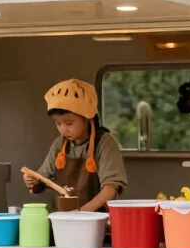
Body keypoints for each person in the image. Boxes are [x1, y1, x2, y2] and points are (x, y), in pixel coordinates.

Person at [22, 78, 127, 211]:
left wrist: (81, 213)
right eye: (58, 123)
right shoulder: (59, 144)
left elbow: (110, 190)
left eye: (69, 123)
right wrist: (33, 181)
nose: (63, 130)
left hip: (96, 217)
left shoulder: (105, 143)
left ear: (87, 118)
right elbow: (43, 178)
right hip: (64, 216)